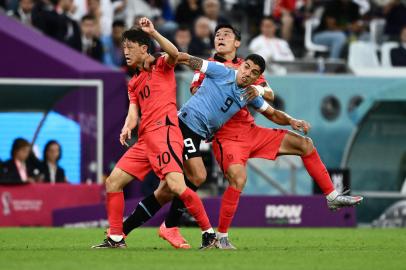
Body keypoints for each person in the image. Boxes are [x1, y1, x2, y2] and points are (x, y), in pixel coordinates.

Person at [123, 24, 364, 249]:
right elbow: (190, 71)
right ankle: (202, 233)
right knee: (200, 178)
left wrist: (290, 119)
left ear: (238, 43)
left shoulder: (249, 82)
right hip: (198, 129)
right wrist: (162, 56)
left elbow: (269, 100)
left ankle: (331, 195)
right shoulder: (217, 68)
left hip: (247, 131)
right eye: (217, 35)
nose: (220, 37)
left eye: (226, 35)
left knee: (304, 143)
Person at [91, 17, 217, 249]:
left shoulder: (161, 63)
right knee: (113, 182)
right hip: (145, 138)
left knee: (178, 187)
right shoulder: (134, 81)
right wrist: (127, 126)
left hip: (165, 133)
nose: (125, 52)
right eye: (123, 48)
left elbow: (174, 52)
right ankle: (116, 237)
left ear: (144, 48)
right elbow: (133, 110)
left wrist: (153, 32)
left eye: (130, 47)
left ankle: (209, 234)